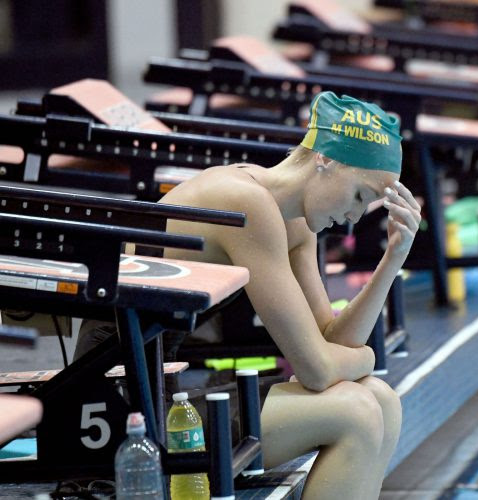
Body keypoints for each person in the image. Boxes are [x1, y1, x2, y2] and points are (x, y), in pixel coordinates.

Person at [76, 91, 420, 499]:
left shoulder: (296, 223)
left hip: (159, 388)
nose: (355, 218)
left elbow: (330, 341)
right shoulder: (246, 202)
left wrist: (393, 258)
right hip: (119, 404)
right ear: (326, 160)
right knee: (356, 411)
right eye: (360, 196)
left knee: (381, 399)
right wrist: (367, 357)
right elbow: (317, 368)